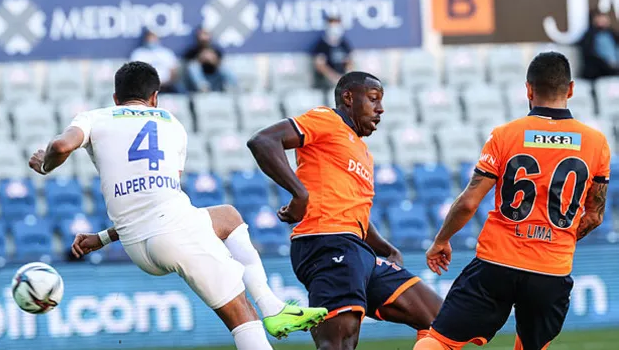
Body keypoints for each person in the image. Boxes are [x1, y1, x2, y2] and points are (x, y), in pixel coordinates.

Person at [28, 61, 327, 348]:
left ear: (116, 98)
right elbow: (159, 196)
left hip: (138, 247)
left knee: (227, 217)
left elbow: (60, 146)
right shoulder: (171, 123)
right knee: (242, 316)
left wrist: (46, 168)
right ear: (155, 97)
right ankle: (270, 308)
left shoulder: (93, 117)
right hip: (174, 232)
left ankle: (272, 305)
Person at [415, 52, 611, 350]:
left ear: (528, 89)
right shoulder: (596, 143)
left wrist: (441, 240)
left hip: (498, 262)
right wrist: (559, 239)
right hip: (551, 270)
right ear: (570, 89)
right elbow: (595, 215)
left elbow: (469, 202)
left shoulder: (505, 135)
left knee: (439, 341)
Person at [246, 71, 443, 350]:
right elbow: (263, 141)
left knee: (440, 320)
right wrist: (299, 194)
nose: (381, 109)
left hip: (358, 249)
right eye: (373, 99)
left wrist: (384, 248)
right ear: (349, 98)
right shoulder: (327, 119)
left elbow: (355, 208)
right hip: (326, 241)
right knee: (339, 343)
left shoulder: (362, 151)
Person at [183, 27, 235, 92]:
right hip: (198, 84)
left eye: (206, 34)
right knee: (193, 67)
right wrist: (201, 59)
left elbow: (220, 65)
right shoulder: (192, 51)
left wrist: (213, 60)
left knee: (224, 68)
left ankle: (232, 88)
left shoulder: (216, 50)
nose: (204, 37)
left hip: (215, 79)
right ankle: (203, 87)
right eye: (202, 34)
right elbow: (188, 68)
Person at [312, 16, 353, 91]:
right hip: (326, 82)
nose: (335, 30)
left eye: (337, 27)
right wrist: (334, 77)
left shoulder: (344, 44)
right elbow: (320, 66)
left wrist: (347, 75)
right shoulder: (321, 45)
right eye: (332, 27)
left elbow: (348, 62)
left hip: (342, 79)